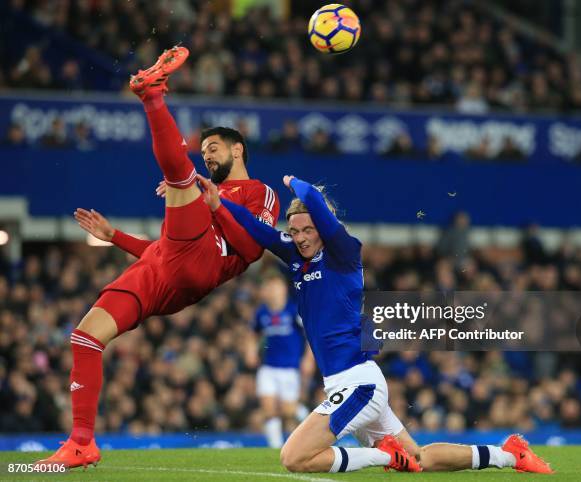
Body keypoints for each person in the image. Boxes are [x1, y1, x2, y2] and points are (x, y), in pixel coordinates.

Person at [205, 174, 553, 475]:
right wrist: (218, 202)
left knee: (293, 457)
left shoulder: (343, 250)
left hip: (358, 384)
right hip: (353, 383)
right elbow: (256, 229)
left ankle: (383, 455)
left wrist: (295, 184)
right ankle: (509, 455)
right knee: (419, 458)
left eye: (308, 229)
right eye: (294, 231)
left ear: (323, 227)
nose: (300, 237)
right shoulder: (297, 258)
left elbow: (311, 197)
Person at [35, 46, 280, 469]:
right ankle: (81, 443)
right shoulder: (205, 191)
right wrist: (115, 237)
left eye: (215, 148)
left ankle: (152, 95)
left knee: (179, 176)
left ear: (238, 150)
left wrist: (213, 202)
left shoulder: (260, 192)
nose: (208, 154)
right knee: (86, 336)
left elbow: (254, 248)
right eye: (204, 149)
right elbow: (164, 253)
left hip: (202, 263)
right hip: (162, 267)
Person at [253, 271, 310, 448]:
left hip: (289, 368)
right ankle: (276, 448)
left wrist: (308, 358)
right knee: (269, 409)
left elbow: (309, 334)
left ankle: (308, 418)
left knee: (288, 411)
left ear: (284, 289)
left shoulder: (293, 310)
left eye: (275, 287)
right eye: (269, 287)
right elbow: (252, 333)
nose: (272, 291)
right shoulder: (261, 312)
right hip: (268, 367)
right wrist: (250, 350)